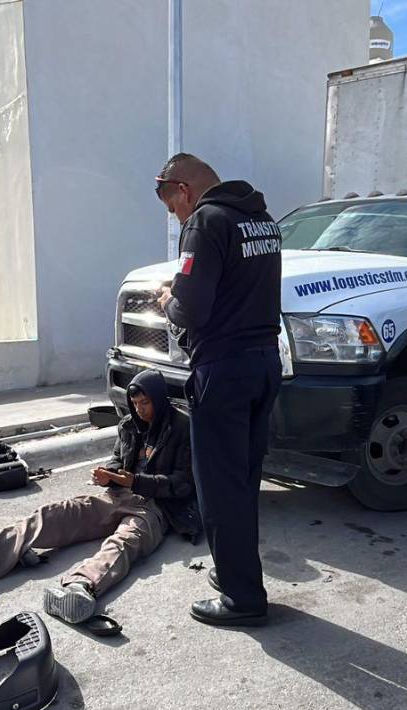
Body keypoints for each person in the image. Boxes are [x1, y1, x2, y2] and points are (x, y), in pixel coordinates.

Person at [0, 371, 199, 624]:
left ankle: (81, 586)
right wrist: (108, 474)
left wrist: (137, 481)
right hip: (119, 494)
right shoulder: (129, 425)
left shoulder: (181, 427)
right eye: (135, 403)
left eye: (145, 403)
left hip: (157, 507)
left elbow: (184, 485)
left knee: (125, 541)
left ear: (158, 399)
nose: (139, 410)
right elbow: (117, 459)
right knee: (58, 513)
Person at [154, 153, 282, 627]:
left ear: (183, 190)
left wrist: (169, 299)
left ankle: (241, 597)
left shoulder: (206, 222)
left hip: (223, 370)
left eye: (173, 206)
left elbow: (191, 309)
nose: (176, 216)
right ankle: (236, 571)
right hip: (264, 364)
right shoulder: (262, 220)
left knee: (218, 487)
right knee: (243, 479)